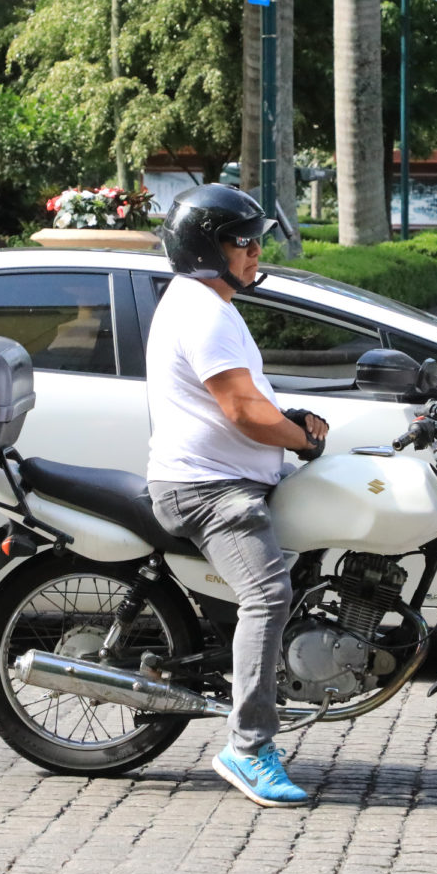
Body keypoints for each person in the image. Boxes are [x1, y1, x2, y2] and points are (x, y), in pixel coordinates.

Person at [145, 183, 327, 809]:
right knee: (268, 593)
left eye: (255, 241)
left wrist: (290, 423)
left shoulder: (207, 302)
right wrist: (300, 440)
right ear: (205, 248)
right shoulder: (203, 311)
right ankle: (248, 748)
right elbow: (245, 413)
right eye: (242, 242)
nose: (255, 252)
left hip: (225, 477)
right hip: (208, 488)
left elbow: (248, 401)